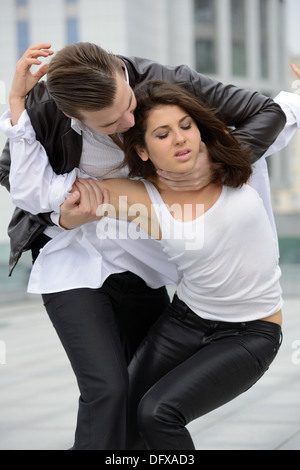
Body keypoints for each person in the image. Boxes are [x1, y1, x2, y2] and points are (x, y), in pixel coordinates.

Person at [0, 42, 287, 450]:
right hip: (76, 258)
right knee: (110, 393)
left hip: (144, 267)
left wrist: (220, 162)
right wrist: (59, 216)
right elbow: (25, 183)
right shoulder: (52, 109)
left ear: (121, 70)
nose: (128, 120)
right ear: (73, 117)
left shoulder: (171, 91)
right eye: (111, 122)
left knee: (143, 414)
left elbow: (274, 113)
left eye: (129, 105)